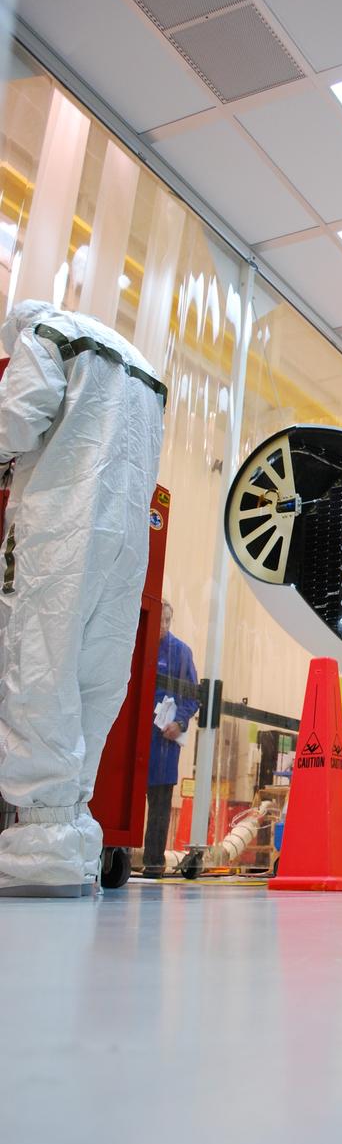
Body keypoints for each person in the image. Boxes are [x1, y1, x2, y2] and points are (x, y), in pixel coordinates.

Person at [0, 300, 165, 896]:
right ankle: (72, 845)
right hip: (126, 537)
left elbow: (15, 420)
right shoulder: (144, 370)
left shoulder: (46, 333)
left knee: (39, 670)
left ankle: (35, 854)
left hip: (59, 526)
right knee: (96, 678)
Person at [142, 600, 198, 877]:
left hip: (163, 741)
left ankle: (153, 863)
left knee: (160, 806)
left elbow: (193, 696)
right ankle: (114, 855)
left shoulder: (181, 652)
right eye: (159, 620)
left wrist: (180, 722)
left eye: (167, 621)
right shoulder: (135, 644)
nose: (163, 626)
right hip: (136, 739)